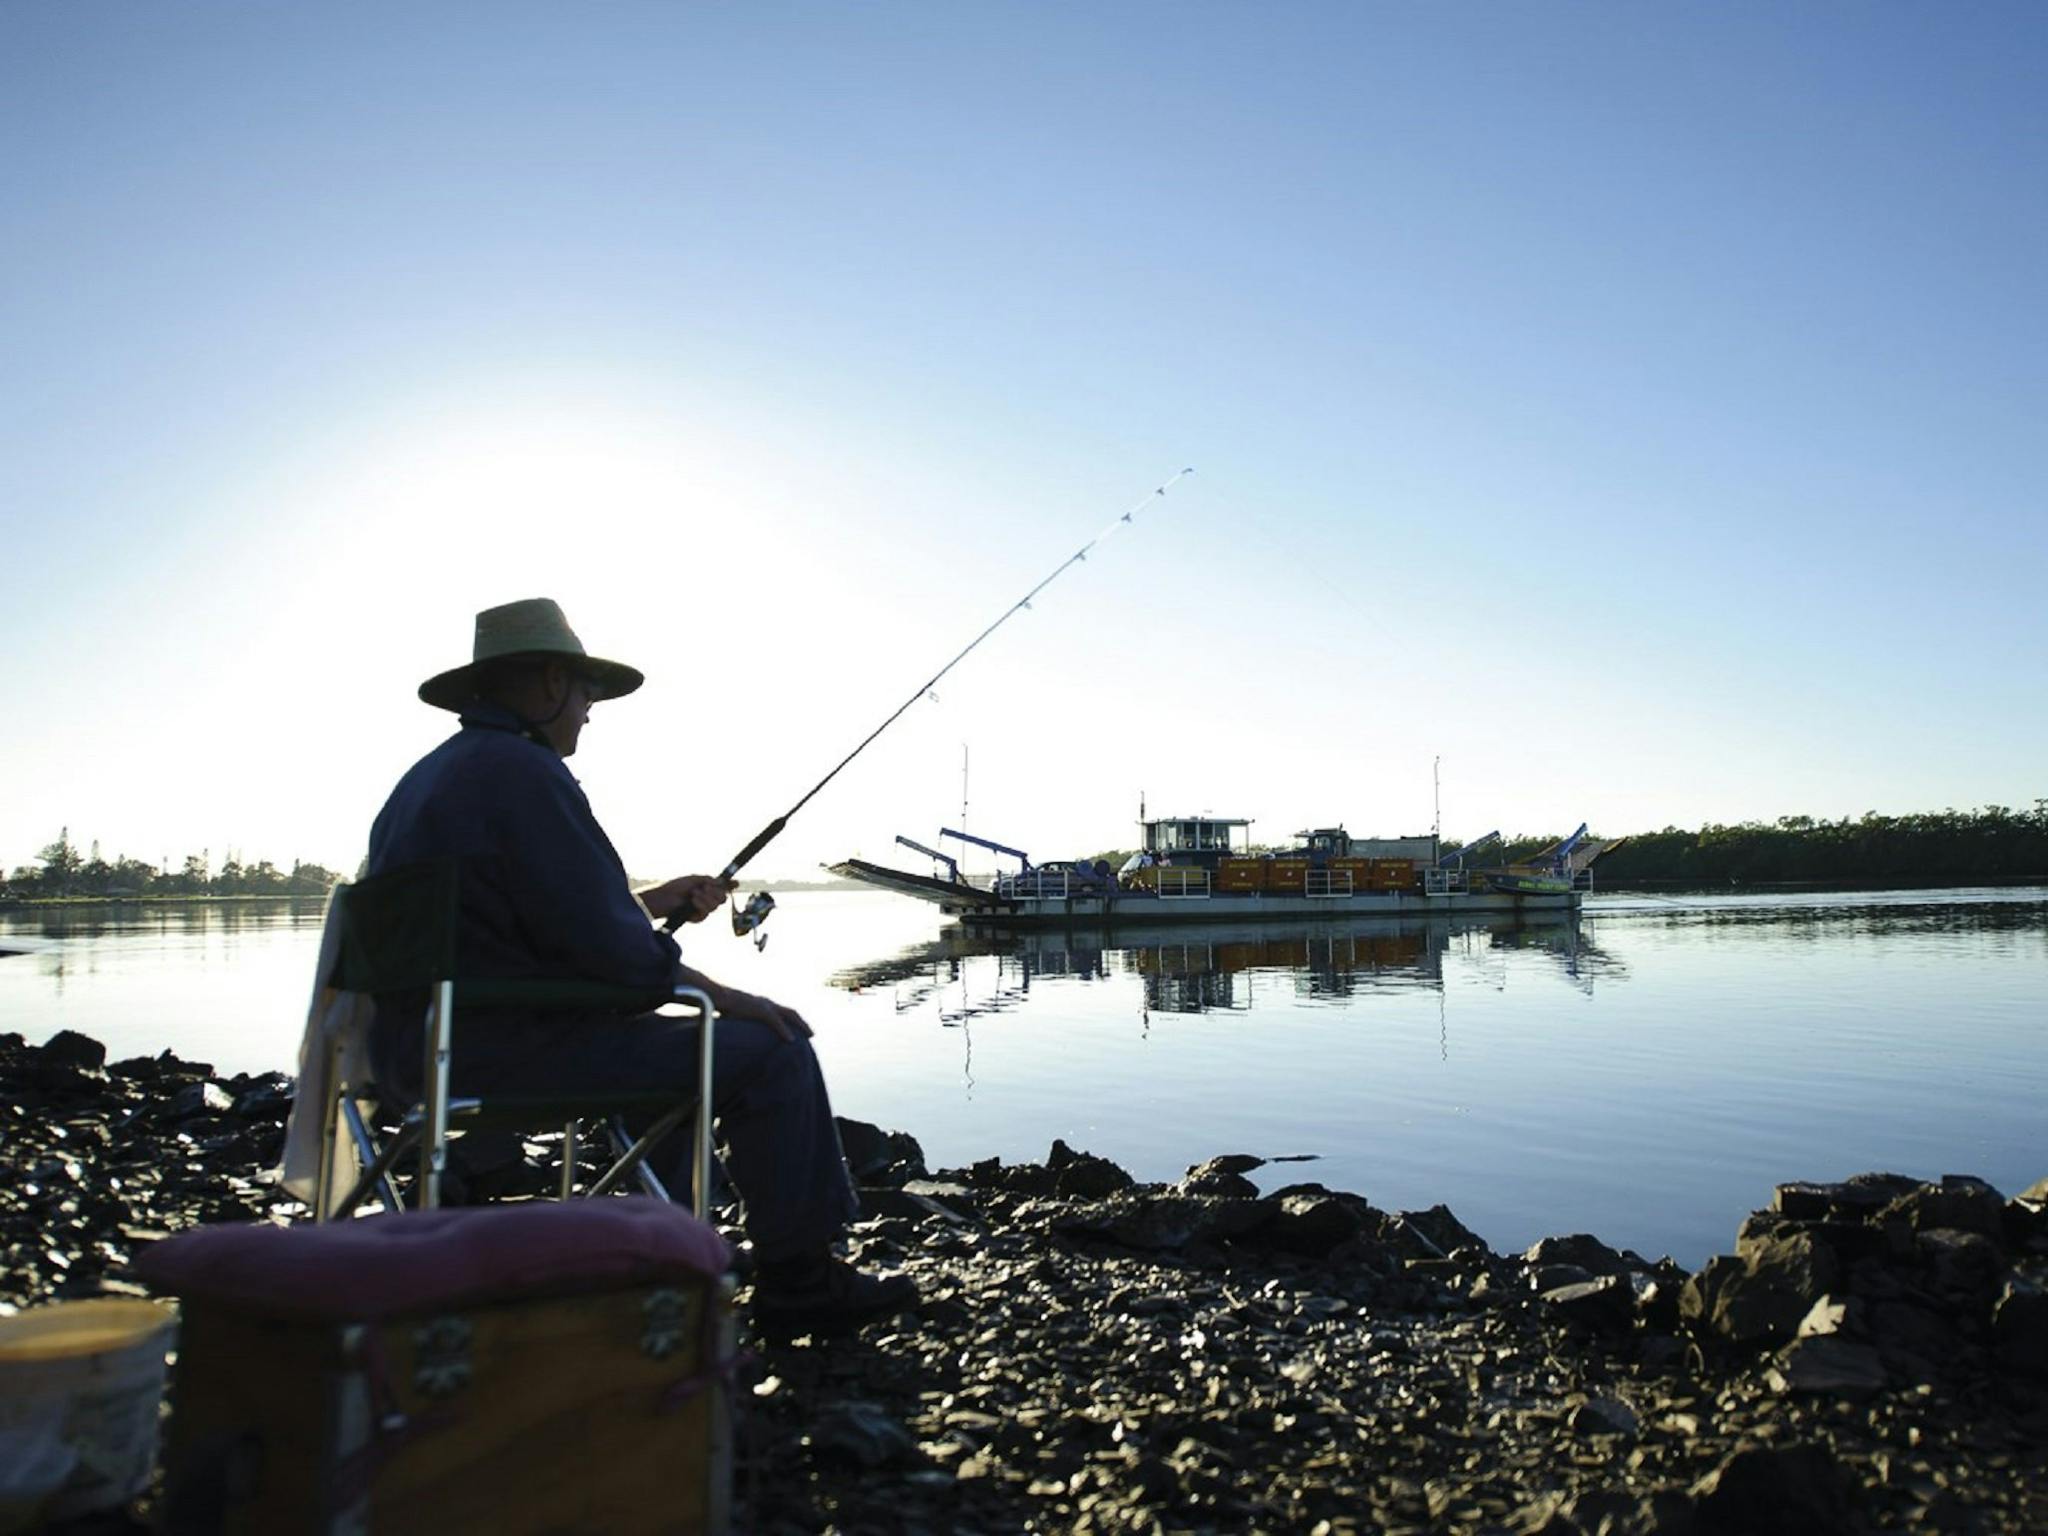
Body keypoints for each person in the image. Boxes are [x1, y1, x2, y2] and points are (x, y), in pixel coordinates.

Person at [365, 597, 914, 1332]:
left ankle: (673, 1246)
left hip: (410, 1050)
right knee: (771, 1047)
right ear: (553, 682)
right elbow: (618, 957)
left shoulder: (434, 777)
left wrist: (650, 904)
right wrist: (728, 996)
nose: (590, 711)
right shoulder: (524, 774)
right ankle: (801, 1279)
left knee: (668, 1043)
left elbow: (526, 920)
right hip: (493, 1054)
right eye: (587, 691)